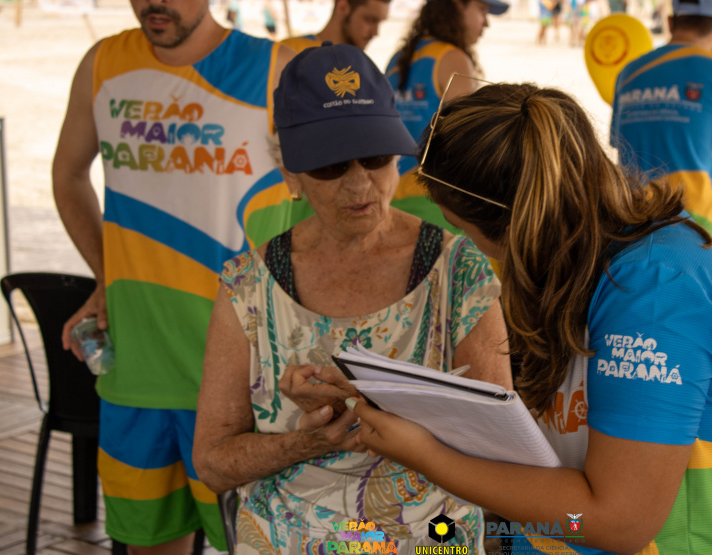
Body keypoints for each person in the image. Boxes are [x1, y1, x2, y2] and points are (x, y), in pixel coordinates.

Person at [345, 82, 712, 555]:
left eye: (461, 228)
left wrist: (428, 456)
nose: (470, 246)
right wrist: (390, 396)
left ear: (517, 225)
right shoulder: (575, 257)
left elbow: (619, 522)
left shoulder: (657, 289)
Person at [193, 43, 512, 554]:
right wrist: (306, 441)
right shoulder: (248, 286)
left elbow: (498, 445)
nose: (360, 183)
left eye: (378, 157)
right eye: (330, 166)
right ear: (290, 175)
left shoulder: (458, 272)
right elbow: (212, 463)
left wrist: (371, 408)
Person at [51, 0, 300, 551]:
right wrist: (105, 276)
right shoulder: (103, 62)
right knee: (149, 544)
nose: (153, 3)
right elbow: (68, 174)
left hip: (240, 378)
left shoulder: (274, 69)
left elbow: (323, 197)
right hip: (136, 371)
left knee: (253, 543)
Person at [610, 0, 712, 247]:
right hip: (695, 229)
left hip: (630, 227)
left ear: (670, 23)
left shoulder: (628, 74)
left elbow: (620, 151)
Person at [384, 0, 509, 232]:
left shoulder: (398, 59)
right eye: (482, 10)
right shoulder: (452, 58)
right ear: (458, 5)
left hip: (390, 197)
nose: (487, 23)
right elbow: (466, 143)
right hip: (436, 202)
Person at [282, 0, 391, 53]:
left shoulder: (361, 64)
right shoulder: (290, 51)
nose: (375, 32)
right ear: (343, 8)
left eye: (380, 22)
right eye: (370, 20)